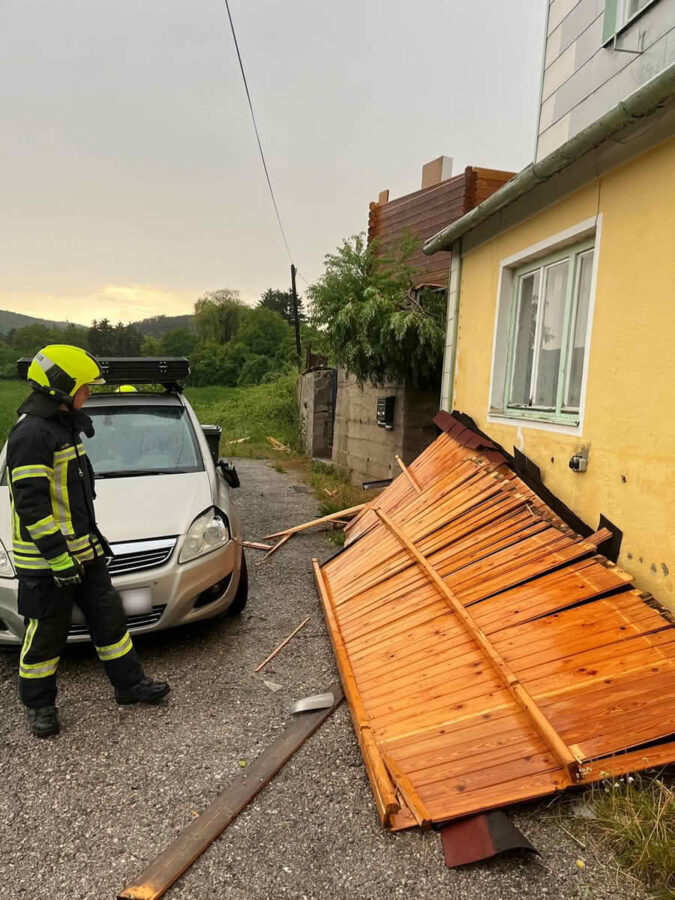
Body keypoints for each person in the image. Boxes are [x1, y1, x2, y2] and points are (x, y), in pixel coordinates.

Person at [7, 345, 169, 737]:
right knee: (46, 635)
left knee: (110, 621)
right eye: (85, 387)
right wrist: (57, 557)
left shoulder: (64, 425)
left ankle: (129, 686)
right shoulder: (32, 434)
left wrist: (85, 548)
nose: (90, 394)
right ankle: (40, 706)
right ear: (60, 389)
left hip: (84, 554)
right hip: (48, 563)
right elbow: (31, 506)